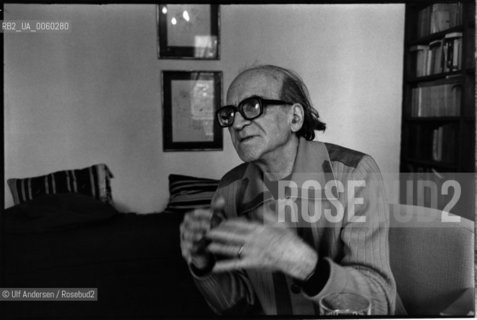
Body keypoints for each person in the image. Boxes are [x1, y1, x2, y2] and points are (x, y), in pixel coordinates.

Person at [179, 65, 397, 315]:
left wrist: (309, 267)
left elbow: (379, 303)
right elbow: (237, 307)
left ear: (294, 118)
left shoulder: (356, 173)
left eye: (252, 107)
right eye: (229, 114)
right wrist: (203, 262)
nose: (237, 123)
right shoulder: (228, 191)